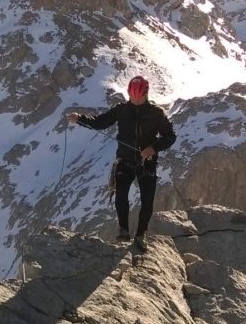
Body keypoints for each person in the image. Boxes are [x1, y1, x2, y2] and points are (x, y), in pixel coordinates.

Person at [66, 75, 176, 252]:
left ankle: (141, 235)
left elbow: (170, 136)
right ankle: (123, 230)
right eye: (133, 96)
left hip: (147, 161)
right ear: (129, 93)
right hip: (124, 160)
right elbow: (100, 123)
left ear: (146, 94)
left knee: (147, 201)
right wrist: (80, 119)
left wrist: (153, 148)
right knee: (121, 195)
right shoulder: (121, 110)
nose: (136, 100)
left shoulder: (157, 114)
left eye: (139, 97)